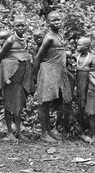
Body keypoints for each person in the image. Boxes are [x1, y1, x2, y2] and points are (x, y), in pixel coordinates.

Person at [33, 11, 72, 143]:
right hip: (48, 71)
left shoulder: (57, 36)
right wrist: (35, 77)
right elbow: (38, 57)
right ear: (48, 23)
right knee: (44, 103)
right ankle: (44, 133)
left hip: (57, 72)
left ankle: (49, 131)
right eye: (54, 20)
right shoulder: (49, 38)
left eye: (59, 20)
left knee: (50, 102)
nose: (57, 22)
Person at [0, 16, 34, 141]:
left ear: (26, 27)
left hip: (22, 77)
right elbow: (1, 57)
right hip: (11, 78)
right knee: (8, 103)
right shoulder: (10, 41)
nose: (20, 28)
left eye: (22, 25)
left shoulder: (25, 40)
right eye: (17, 26)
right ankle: (9, 132)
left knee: (19, 103)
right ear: (13, 27)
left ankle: (18, 131)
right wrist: (5, 73)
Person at [72, 37, 95, 140]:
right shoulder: (76, 56)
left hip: (88, 86)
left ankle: (92, 130)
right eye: (77, 44)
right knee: (80, 107)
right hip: (79, 86)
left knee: (90, 106)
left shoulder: (92, 58)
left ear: (86, 47)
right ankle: (81, 129)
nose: (77, 47)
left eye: (79, 45)